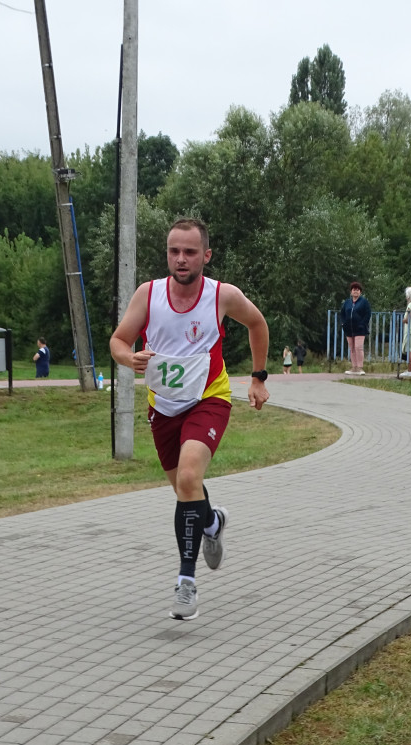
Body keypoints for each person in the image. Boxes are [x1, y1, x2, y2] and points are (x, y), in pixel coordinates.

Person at [110, 218, 270, 621]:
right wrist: (129, 358)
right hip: (163, 407)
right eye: (174, 251)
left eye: (190, 252)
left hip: (208, 399)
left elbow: (257, 323)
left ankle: (186, 583)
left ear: (206, 256)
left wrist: (258, 378)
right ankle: (213, 523)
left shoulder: (222, 296)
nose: (181, 259)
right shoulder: (149, 295)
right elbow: (118, 340)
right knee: (187, 490)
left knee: (187, 479)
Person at [339, 281, 371, 375]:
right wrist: (343, 323)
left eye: (357, 290)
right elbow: (342, 313)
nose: (355, 291)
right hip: (349, 328)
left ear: (360, 292)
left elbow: (367, 314)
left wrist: (363, 323)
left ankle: (360, 367)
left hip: (360, 329)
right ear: (351, 292)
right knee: (352, 348)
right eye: (354, 290)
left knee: (358, 347)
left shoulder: (364, 302)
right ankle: (354, 367)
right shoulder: (347, 302)